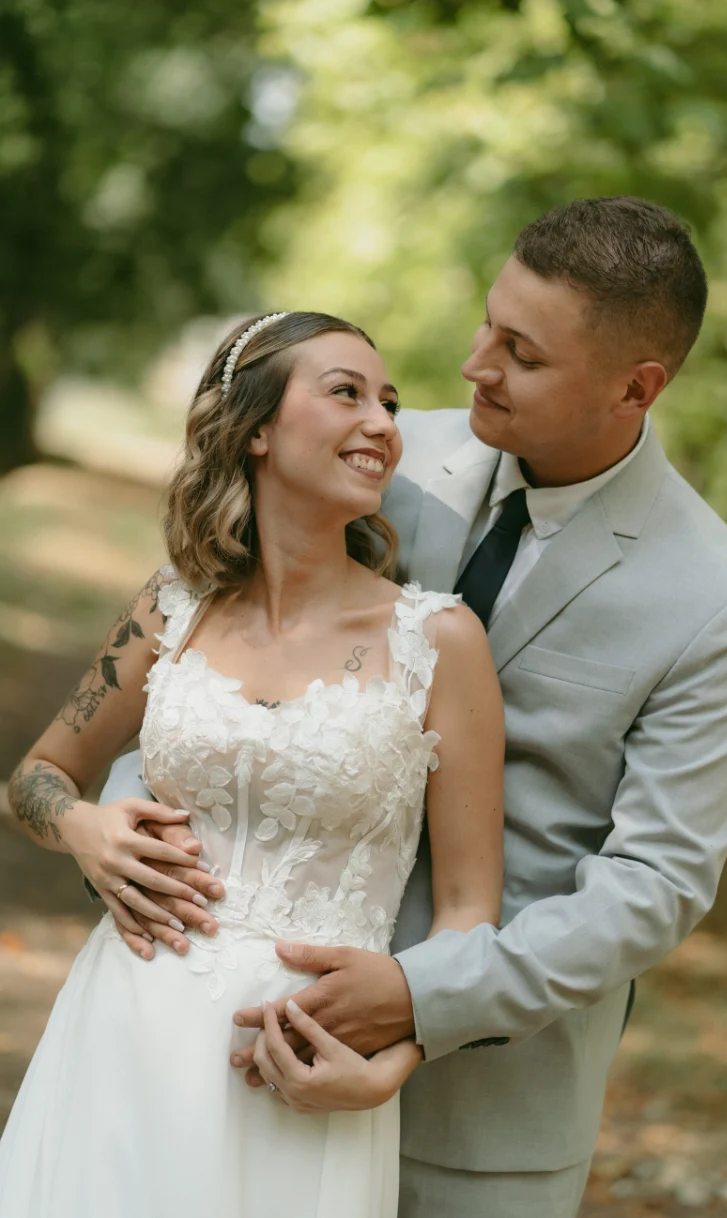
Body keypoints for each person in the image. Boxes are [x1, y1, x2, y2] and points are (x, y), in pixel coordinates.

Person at [97, 197, 727, 1218]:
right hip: (234, 1047)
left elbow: (655, 883)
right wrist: (121, 808)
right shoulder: (373, 451)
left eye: (522, 354)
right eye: (487, 325)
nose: (474, 365)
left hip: (483, 1119)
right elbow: (205, 637)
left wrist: (422, 1003)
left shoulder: (715, 600)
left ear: (635, 388)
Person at [0, 311, 505, 1218]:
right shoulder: (170, 608)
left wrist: (397, 1059)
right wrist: (82, 828)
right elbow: (36, 777)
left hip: (298, 1065)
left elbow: (469, 910)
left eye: (389, 403)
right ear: (257, 427)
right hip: (122, 1032)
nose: (383, 423)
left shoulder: (439, 641)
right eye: (347, 392)